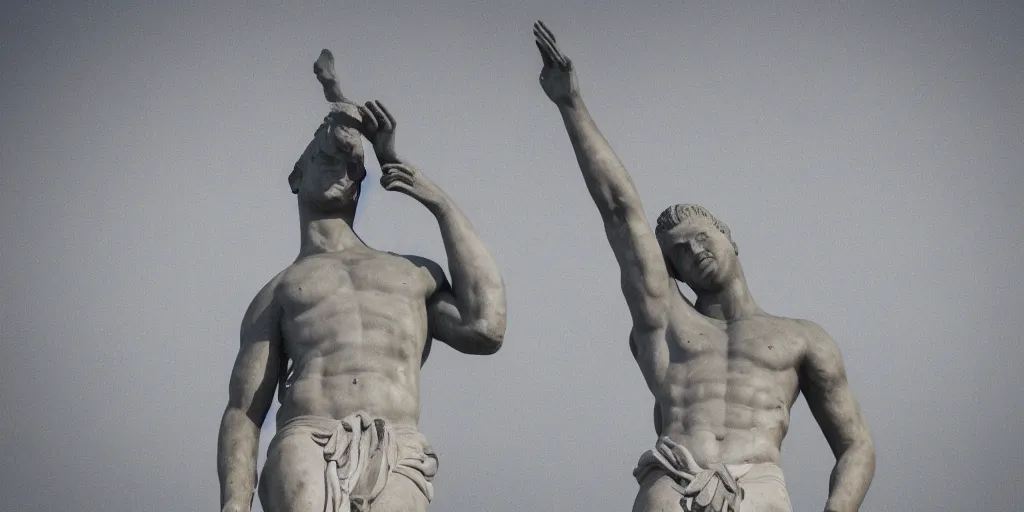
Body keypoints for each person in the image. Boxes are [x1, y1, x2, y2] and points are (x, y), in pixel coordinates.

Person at [532, 22, 874, 512]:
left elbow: (856, 444)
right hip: (675, 479)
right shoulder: (669, 323)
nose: (694, 252)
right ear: (675, 273)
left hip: (758, 485)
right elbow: (619, 210)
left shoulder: (804, 338)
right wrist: (571, 104)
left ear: (729, 237)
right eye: (680, 253)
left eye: (701, 238)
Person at [217, 49, 507, 512]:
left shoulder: (411, 274)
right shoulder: (278, 293)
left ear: (361, 184)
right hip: (307, 441)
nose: (340, 169)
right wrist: (235, 503)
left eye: (352, 166)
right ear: (296, 175)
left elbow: (486, 328)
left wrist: (437, 201)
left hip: (396, 449)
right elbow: (244, 412)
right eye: (324, 159)